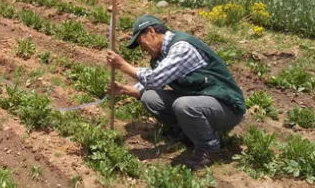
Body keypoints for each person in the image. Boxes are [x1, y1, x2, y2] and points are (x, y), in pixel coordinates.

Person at [103, 15, 246, 170]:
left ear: (151, 32)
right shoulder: (161, 55)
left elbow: (154, 79)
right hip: (200, 103)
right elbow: (154, 82)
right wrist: (126, 89)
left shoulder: (181, 47)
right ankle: (188, 133)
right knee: (150, 97)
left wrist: (123, 65)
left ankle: (209, 148)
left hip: (226, 107)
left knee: (183, 105)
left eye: (141, 43)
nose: (142, 49)